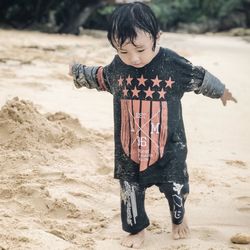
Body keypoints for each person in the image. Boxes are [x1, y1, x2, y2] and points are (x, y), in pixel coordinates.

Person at [68, 2, 237, 248]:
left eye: (140, 49)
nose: (133, 58)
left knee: (176, 185)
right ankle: (136, 230)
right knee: (130, 190)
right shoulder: (118, 67)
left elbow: (199, 77)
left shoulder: (172, 64)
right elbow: (99, 76)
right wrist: (77, 72)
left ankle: (178, 219)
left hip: (169, 145)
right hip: (129, 147)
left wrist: (221, 91)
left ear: (157, 37)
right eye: (123, 51)